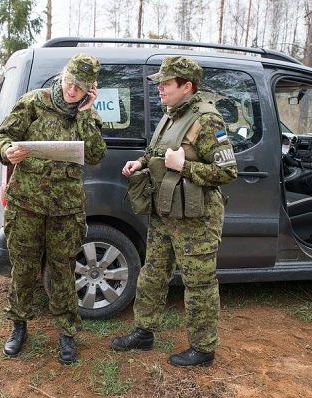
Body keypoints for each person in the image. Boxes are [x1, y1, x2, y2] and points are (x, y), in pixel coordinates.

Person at [111, 56, 238, 367]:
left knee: (199, 284)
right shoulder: (172, 115)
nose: (159, 89)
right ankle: (144, 332)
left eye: (166, 84)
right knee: (152, 274)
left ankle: (203, 349)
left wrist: (184, 166)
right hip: (165, 213)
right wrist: (141, 163)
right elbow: (157, 152)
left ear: (187, 86)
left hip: (196, 220)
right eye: (160, 84)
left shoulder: (207, 120)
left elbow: (227, 171)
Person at [0, 53, 107, 364]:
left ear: (91, 89)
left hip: (66, 209)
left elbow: (96, 155)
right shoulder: (34, 102)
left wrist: (85, 114)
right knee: (24, 269)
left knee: (62, 271)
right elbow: (2, 137)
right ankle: (18, 327)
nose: (73, 90)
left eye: (81, 87)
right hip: (26, 204)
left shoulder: (89, 114)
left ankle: (67, 334)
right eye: (70, 82)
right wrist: (8, 151)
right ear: (63, 76)